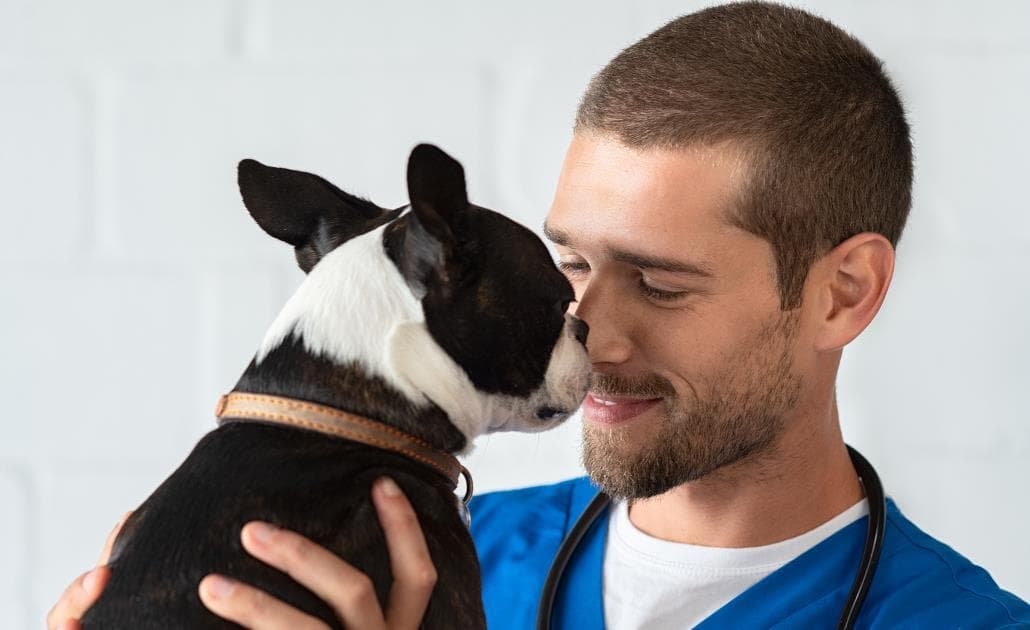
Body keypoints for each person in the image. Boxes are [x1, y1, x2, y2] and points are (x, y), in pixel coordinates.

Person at [50, 2, 1029, 629]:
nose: (589, 332)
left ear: (841, 293)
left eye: (662, 281)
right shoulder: (403, 555)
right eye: (570, 265)